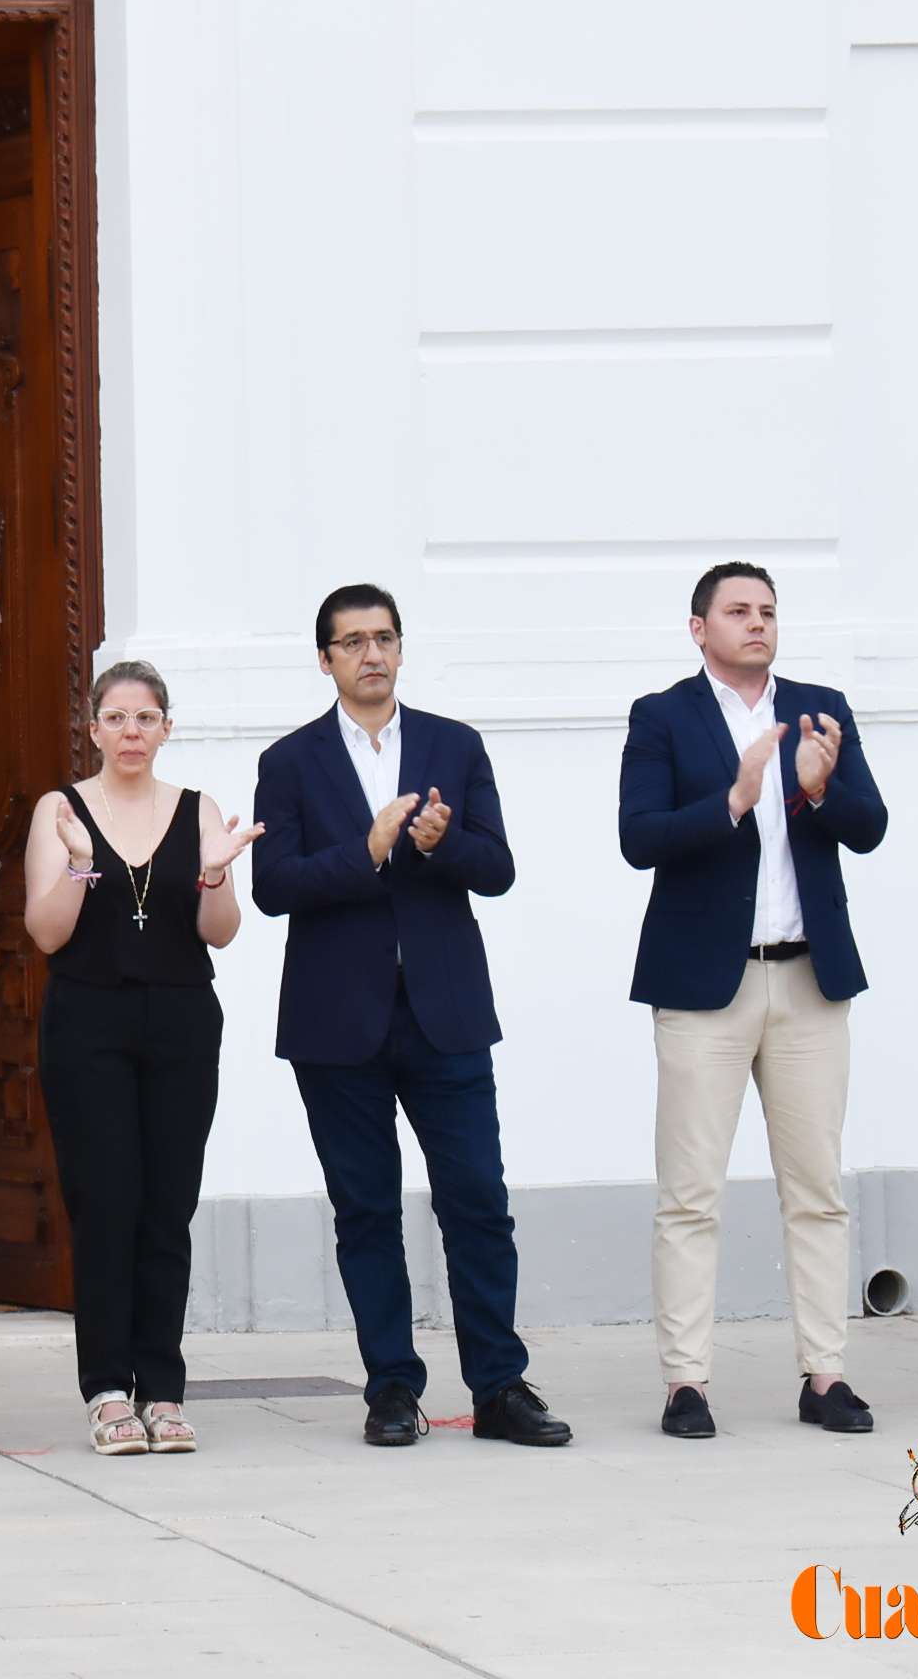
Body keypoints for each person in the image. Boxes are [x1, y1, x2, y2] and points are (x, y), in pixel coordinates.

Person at [251, 590, 570, 1452]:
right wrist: (369, 852)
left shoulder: (453, 746)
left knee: (477, 1201)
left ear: (401, 648)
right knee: (366, 1210)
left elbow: (496, 868)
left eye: (384, 637)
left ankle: (500, 1387)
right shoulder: (290, 761)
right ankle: (392, 1387)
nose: (371, 654)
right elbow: (272, 887)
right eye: (351, 642)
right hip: (336, 1019)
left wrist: (437, 844)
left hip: (446, 1010)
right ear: (324, 660)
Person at [620, 561, 887, 1439]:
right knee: (690, 1194)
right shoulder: (662, 716)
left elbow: (870, 826)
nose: (757, 624)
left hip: (810, 979)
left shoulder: (821, 707)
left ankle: (824, 1375)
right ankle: (685, 1384)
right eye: (737, 611)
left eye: (768, 611)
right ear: (699, 628)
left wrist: (817, 788)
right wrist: (733, 800)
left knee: (817, 1189)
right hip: (705, 986)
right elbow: (639, 838)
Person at [23, 660, 256, 1458]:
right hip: (87, 1019)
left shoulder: (199, 811)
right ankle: (108, 1390)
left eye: (146, 718)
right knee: (106, 1202)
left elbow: (219, 931)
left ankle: (163, 1386)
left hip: (182, 1019)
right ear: (92, 728)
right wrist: (84, 863)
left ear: (166, 727)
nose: (131, 732)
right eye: (116, 718)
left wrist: (217, 871)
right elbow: (47, 932)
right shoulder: (62, 810)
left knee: (169, 1205)